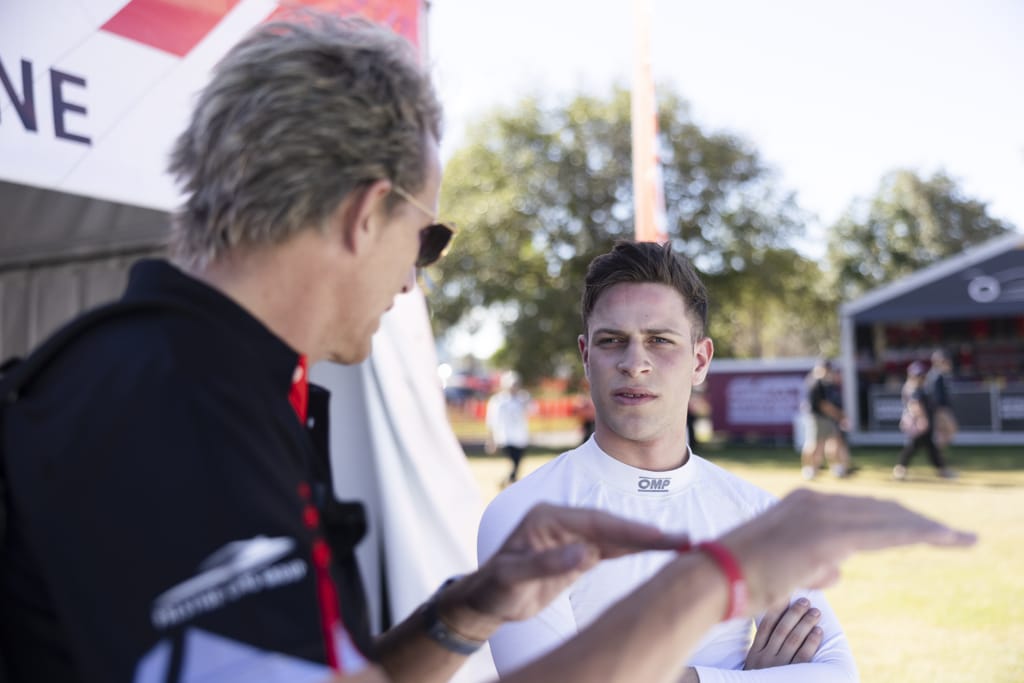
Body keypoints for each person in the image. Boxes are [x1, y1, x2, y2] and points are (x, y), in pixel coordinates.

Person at [0, 12, 976, 683]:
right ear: (366, 212)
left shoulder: (212, 382)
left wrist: (470, 608)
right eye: (425, 237)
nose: (414, 279)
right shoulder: (171, 402)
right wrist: (726, 575)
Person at [478, 242, 857, 681]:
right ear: (586, 356)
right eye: (612, 341)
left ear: (700, 360)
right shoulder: (522, 517)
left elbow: (838, 673)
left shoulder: (759, 516)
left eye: (659, 340)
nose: (634, 363)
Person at [894, 361, 957, 481]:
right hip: (919, 423)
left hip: (925, 422)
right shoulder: (913, 388)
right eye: (918, 375)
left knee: (929, 447)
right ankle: (900, 469)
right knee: (913, 446)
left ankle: (942, 469)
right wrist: (922, 419)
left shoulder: (921, 387)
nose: (921, 377)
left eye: (922, 375)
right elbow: (915, 405)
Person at [800, 359, 850, 480]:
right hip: (818, 418)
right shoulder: (816, 383)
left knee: (834, 442)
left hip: (827, 418)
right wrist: (840, 416)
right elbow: (823, 404)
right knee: (815, 444)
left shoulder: (827, 383)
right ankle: (810, 469)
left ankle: (837, 468)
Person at [486, 371, 532, 485]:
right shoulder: (498, 401)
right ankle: (511, 480)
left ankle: (509, 480)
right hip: (505, 437)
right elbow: (492, 420)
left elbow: (532, 411)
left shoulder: (523, 398)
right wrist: (491, 439)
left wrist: (527, 403)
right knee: (514, 462)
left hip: (520, 436)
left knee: (518, 463)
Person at [925, 349, 958, 458]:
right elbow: (935, 396)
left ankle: (938, 458)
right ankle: (937, 456)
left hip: (943, 409)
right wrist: (939, 411)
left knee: (945, 434)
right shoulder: (935, 375)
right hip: (940, 409)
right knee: (948, 432)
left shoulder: (941, 375)